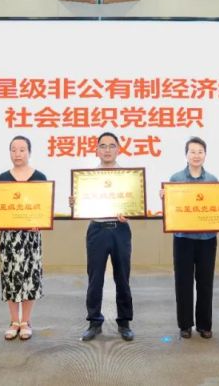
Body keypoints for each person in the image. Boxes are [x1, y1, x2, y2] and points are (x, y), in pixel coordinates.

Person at [72, 132, 135, 342]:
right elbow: (82, 204)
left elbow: (134, 203)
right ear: (96, 150)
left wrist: (132, 210)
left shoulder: (128, 176)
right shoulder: (88, 178)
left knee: (122, 278)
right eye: (103, 146)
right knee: (95, 278)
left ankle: (124, 323)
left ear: (119, 149)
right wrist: (75, 203)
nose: (107, 150)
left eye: (112, 146)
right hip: (97, 230)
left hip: (120, 229)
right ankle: (94, 322)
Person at [163, 137, 219, 339]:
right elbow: (172, 209)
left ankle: (204, 325)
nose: (196, 155)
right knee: (183, 282)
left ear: (205, 155)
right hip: (183, 238)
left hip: (207, 239)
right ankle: (185, 325)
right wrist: (165, 198)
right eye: (192, 152)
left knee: (205, 282)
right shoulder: (176, 178)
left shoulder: (212, 180)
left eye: (200, 152)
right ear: (186, 155)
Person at [0, 136, 46, 341]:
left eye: (22, 150)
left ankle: (26, 322)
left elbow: (43, 208)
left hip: (31, 237)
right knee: (10, 276)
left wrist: (39, 221)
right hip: (9, 237)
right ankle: (14, 321)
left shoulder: (39, 177)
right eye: (13, 150)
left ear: (29, 152)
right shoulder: (2, 178)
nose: (17, 154)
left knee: (30, 277)